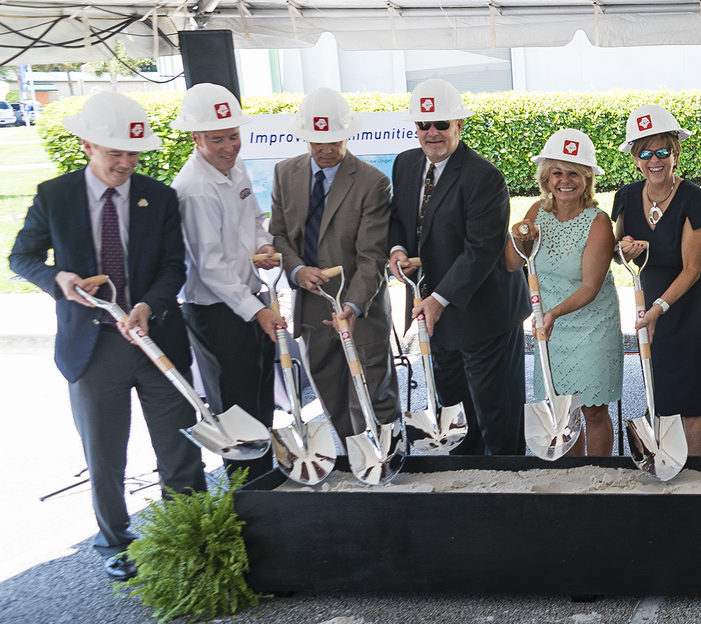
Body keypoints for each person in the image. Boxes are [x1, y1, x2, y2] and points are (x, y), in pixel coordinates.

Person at [10, 92, 200, 581]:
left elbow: (174, 265)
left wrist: (147, 306)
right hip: (92, 349)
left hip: (156, 340)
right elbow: (22, 256)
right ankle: (116, 543)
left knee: (179, 445)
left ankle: (192, 536)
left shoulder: (160, 196)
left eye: (133, 153)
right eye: (115, 152)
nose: (126, 162)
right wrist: (59, 279)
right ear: (86, 144)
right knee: (105, 453)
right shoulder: (55, 195)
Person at [386, 79, 526, 455]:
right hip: (435, 314)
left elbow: (480, 250)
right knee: (455, 412)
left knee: (496, 412)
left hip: (484, 314)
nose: (432, 133)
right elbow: (398, 218)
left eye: (442, 124)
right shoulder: (405, 163)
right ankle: (464, 487)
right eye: (423, 124)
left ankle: (509, 489)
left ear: (459, 126)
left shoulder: (485, 178)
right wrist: (398, 249)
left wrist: (437, 299)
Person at [169, 83, 282, 480]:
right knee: (235, 408)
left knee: (259, 394)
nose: (229, 146)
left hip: (248, 300)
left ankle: (266, 478)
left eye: (233, 135)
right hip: (215, 311)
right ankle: (246, 490)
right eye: (217, 139)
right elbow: (211, 266)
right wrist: (259, 312)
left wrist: (264, 246)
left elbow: (253, 220)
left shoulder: (236, 168)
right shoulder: (194, 190)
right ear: (196, 138)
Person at [271, 88, 399, 437]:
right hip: (312, 306)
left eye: (334, 141)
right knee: (330, 391)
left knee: (373, 393)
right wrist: (297, 270)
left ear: (347, 135)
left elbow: (371, 256)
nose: (326, 149)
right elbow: (279, 235)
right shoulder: (285, 174)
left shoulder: (373, 182)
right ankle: (353, 459)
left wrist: (353, 306)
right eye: (317, 142)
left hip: (361, 307)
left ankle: (389, 461)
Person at [611, 105, 701, 457]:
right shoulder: (626, 197)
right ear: (634, 157)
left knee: (692, 404)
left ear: (676, 154)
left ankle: (699, 478)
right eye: (644, 152)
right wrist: (623, 250)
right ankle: (668, 468)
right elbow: (616, 251)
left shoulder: (695, 200)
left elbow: (691, 268)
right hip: (651, 306)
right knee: (660, 394)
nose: (654, 160)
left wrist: (659, 309)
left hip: (690, 309)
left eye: (662, 151)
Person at [506, 129, 620, 456]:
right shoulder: (535, 212)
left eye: (574, 173)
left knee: (593, 410)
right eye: (557, 172)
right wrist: (518, 237)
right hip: (551, 330)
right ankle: (572, 482)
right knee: (561, 411)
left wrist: (553, 313)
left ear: (587, 179)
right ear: (546, 177)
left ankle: (599, 479)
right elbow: (513, 263)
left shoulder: (598, 222)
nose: (565, 180)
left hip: (591, 325)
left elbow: (590, 286)